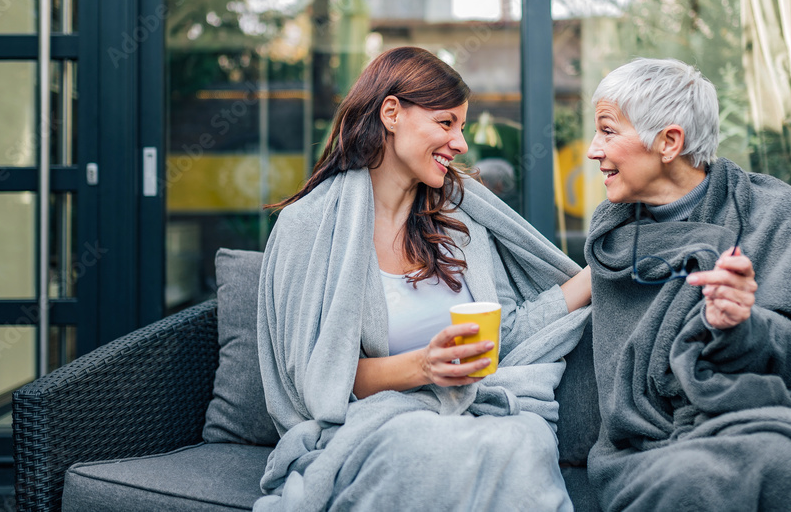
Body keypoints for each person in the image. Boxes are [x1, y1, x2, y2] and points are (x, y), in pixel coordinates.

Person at [254, 46, 592, 511]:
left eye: (462, 127)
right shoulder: (309, 227)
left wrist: (599, 274)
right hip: (382, 420)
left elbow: (507, 334)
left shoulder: (460, 224)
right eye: (446, 122)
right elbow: (318, 382)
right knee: (424, 449)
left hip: (475, 409)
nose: (461, 144)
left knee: (524, 439)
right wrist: (425, 368)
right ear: (392, 113)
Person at [582, 57, 791, 511]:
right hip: (654, 445)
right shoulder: (614, 241)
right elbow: (627, 401)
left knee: (783, 460)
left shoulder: (782, 214)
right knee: (689, 476)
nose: (593, 150)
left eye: (608, 131)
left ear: (669, 141)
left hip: (776, 414)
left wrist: (742, 328)